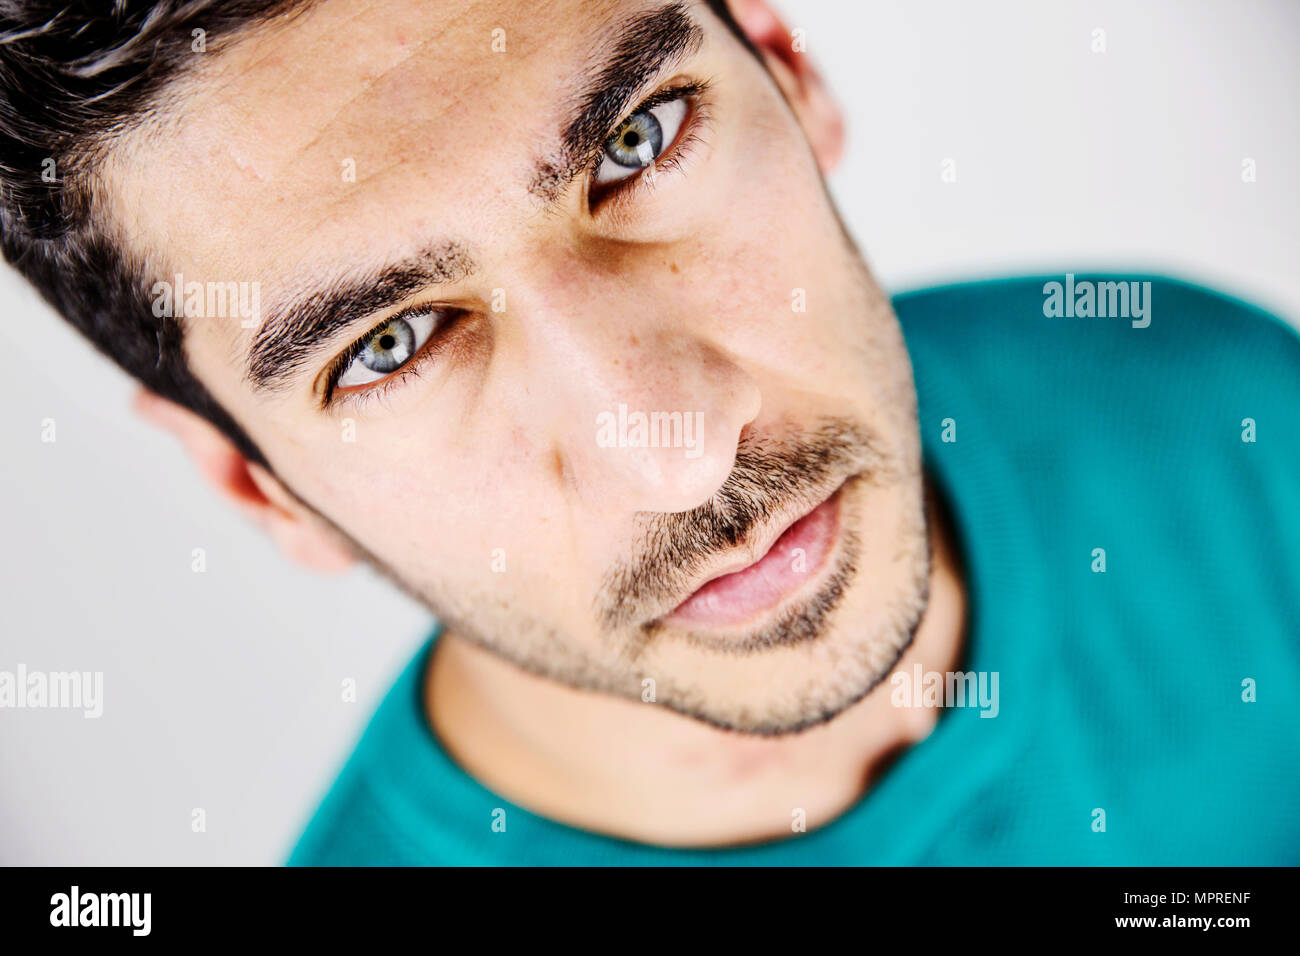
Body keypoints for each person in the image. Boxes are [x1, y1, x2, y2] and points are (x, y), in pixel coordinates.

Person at [1, 0, 1295, 865]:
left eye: (638, 140)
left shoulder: (1223, 406)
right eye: (387, 343)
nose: (681, 454)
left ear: (785, 65)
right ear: (259, 488)